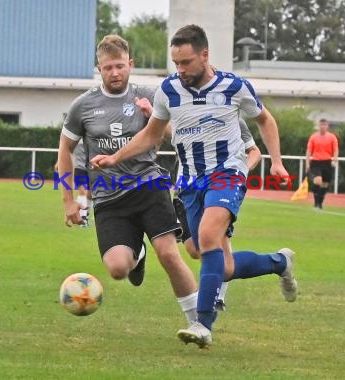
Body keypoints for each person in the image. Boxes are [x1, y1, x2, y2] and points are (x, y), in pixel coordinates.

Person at [92, 25, 298, 348]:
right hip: (188, 181)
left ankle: (203, 323)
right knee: (216, 261)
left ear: (204, 55)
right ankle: (280, 262)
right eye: (176, 63)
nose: (181, 70)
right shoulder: (169, 90)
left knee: (207, 236)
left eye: (186, 62)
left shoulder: (233, 86)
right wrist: (116, 156)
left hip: (227, 174)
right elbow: (151, 134)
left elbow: (265, 120)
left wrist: (277, 161)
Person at [57, 35, 199, 326]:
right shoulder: (82, 106)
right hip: (108, 197)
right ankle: (138, 252)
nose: (115, 73)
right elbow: (65, 150)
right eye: (108, 68)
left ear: (130, 64)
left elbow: (178, 137)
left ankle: (199, 323)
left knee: (169, 253)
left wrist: (152, 116)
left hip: (149, 186)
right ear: (99, 68)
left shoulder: (150, 95)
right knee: (118, 269)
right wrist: (69, 201)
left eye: (120, 66)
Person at [172, 118, 262, 311]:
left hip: (219, 186)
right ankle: (277, 262)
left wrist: (242, 171)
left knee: (215, 239)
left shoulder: (233, 118)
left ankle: (217, 297)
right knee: (195, 250)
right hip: (187, 188)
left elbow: (254, 152)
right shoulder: (180, 110)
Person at [55, 141, 93, 227]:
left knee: (90, 194)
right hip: (78, 168)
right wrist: (59, 162)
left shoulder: (90, 134)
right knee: (83, 191)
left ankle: (85, 212)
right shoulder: (74, 135)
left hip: (91, 168)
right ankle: (82, 219)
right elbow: (66, 148)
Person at [305, 119, 339, 209]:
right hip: (316, 162)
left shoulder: (332, 137)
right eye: (321, 125)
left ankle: (320, 203)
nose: (322, 127)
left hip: (327, 162)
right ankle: (316, 203)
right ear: (318, 126)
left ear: (327, 126)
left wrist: (334, 159)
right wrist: (307, 163)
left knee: (325, 184)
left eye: (324, 125)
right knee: (317, 180)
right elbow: (309, 151)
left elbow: (335, 149)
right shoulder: (313, 137)